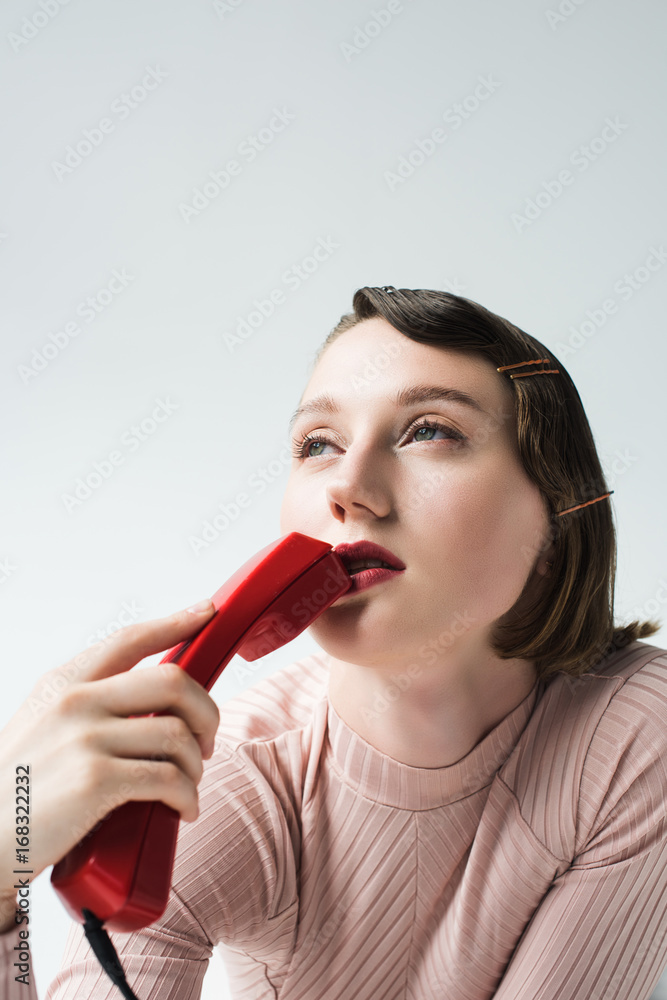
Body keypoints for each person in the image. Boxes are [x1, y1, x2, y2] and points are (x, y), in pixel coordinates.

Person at [1, 286, 666, 999]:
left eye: (429, 431)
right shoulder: (212, 785)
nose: (347, 486)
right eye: (318, 445)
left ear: (556, 526)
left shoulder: (633, 730)